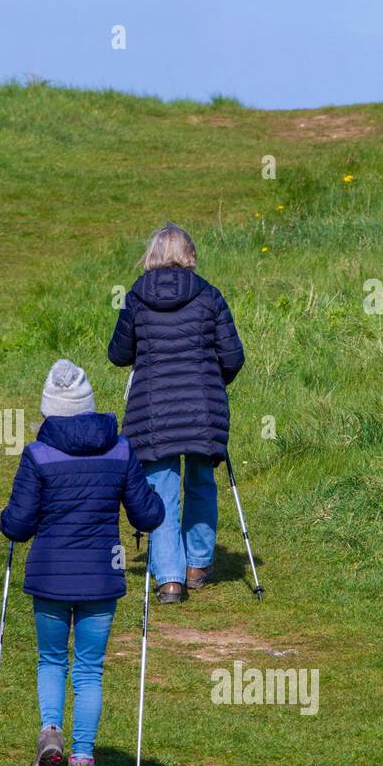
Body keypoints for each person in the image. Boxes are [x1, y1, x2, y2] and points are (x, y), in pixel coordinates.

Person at [0, 360, 163, 766]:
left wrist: (5, 515)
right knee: (89, 670)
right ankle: (82, 765)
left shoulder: (38, 454)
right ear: (89, 405)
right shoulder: (121, 450)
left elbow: (18, 526)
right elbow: (147, 515)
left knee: (52, 660)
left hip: (50, 575)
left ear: (50, 409)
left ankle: (50, 732)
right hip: (101, 578)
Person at [108, 224, 245, 604]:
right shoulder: (209, 296)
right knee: (201, 482)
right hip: (203, 406)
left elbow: (118, 354)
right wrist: (216, 381)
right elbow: (234, 356)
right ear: (190, 255)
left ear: (152, 255)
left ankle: (169, 579)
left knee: (161, 489)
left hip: (153, 409)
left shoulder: (135, 297)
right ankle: (197, 565)